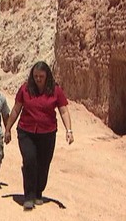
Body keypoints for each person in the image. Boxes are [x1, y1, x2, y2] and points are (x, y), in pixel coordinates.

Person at [4, 61, 74, 211]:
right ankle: (28, 196)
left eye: (41, 76)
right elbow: (16, 110)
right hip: (26, 131)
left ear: (47, 76)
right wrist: (8, 128)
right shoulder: (25, 89)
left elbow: (63, 111)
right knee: (29, 160)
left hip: (47, 133)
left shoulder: (56, 91)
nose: (38, 79)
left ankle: (38, 192)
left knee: (44, 164)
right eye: (35, 76)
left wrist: (69, 130)